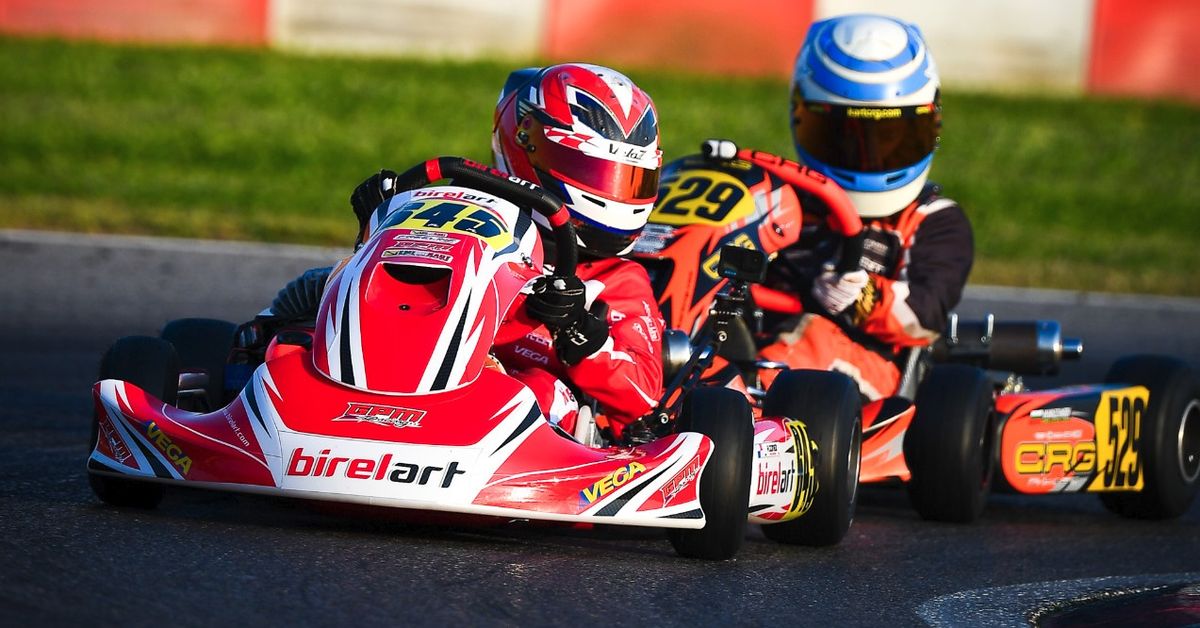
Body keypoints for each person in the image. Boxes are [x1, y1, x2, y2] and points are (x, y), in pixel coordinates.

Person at [272, 63, 666, 441]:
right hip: (403, 369)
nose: (617, 193)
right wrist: (381, 223)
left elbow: (644, 395)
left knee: (539, 392)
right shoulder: (465, 218)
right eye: (596, 171)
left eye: (632, 180)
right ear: (528, 146)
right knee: (288, 347)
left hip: (514, 412)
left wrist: (578, 330)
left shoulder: (616, 279)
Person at [755, 13, 974, 400]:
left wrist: (862, 297)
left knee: (810, 338)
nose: (870, 153)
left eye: (890, 136)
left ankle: (744, 405)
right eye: (847, 136)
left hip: (872, 374)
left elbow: (924, 317)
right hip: (762, 343)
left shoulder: (934, 221)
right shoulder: (778, 199)